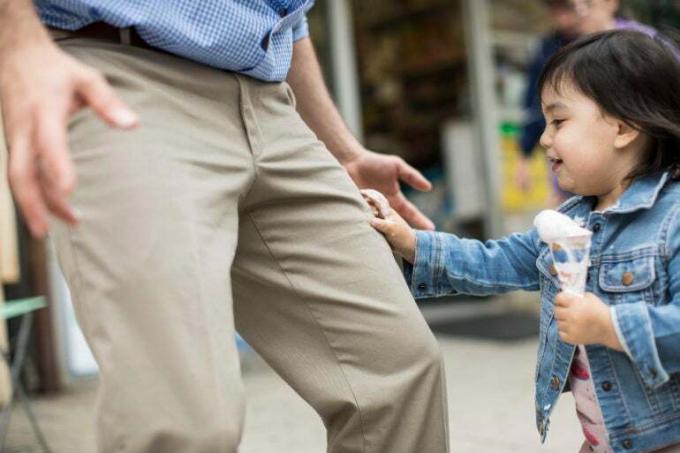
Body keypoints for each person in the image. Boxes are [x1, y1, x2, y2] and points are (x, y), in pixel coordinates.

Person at [0, 1, 450, 452]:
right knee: (181, 421)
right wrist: (17, 41)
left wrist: (344, 150)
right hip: (119, 76)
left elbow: (284, 15)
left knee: (399, 372)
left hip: (272, 103)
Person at [367, 30, 680, 452]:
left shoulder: (673, 218)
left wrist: (609, 327)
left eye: (559, 121)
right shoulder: (568, 222)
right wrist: (412, 243)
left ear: (624, 128)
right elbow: (494, 262)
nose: (545, 138)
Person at [516, 0, 658, 205]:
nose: (566, 18)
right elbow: (533, 106)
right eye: (556, 9)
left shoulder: (644, 44)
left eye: (583, 5)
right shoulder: (552, 48)